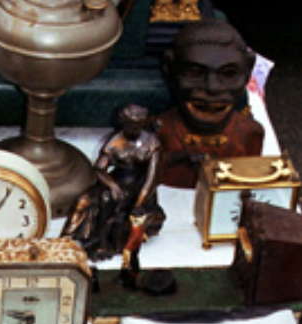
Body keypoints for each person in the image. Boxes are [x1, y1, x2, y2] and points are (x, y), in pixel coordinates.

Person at [156, 19, 264, 188]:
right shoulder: (159, 131)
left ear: (248, 71)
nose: (212, 87)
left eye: (229, 74)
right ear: (170, 69)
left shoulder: (250, 133)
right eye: (194, 73)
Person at [62, 104, 165, 262]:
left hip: (139, 187)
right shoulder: (115, 142)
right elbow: (99, 169)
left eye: (137, 124)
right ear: (122, 123)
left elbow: (151, 179)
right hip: (116, 181)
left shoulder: (151, 143)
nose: (133, 128)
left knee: (107, 203)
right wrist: (112, 185)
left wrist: (139, 203)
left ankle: (103, 243)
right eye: (129, 124)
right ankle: (64, 241)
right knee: (84, 201)